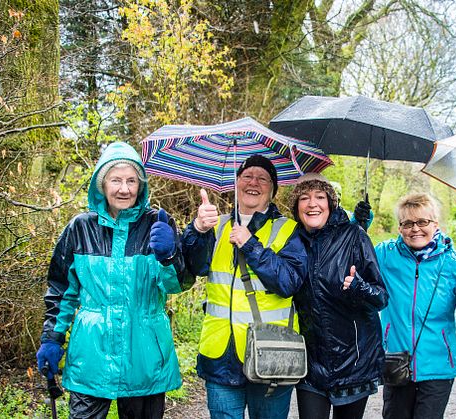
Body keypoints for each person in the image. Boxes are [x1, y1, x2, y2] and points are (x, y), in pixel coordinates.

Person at [36, 141, 193, 418]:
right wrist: (52, 338)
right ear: (102, 184)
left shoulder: (157, 224)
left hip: (145, 355)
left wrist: (169, 257)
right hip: (91, 355)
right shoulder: (80, 228)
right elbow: (62, 291)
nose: (124, 188)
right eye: (116, 180)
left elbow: (177, 285)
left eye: (132, 180)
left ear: (141, 185)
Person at [181, 155, 307, 419]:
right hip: (221, 354)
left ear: (272, 190)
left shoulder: (287, 230)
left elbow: (289, 282)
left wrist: (250, 245)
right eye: (247, 176)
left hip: (271, 354)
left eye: (262, 179)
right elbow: (193, 268)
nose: (254, 183)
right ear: (236, 183)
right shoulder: (216, 226)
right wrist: (197, 230)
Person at [289, 176, 388, 419]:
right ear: (297, 207)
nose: (312, 204)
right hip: (312, 364)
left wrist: (359, 288)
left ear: (331, 203)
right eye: (304, 198)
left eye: (320, 197)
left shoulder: (355, 236)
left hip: (354, 363)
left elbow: (381, 297)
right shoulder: (292, 240)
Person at [375, 193, 456, 419]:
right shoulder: (385, 255)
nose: (415, 229)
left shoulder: (455, 263)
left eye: (422, 222)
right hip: (396, 361)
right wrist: (358, 225)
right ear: (399, 228)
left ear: (435, 224)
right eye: (407, 223)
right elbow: (353, 256)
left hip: (438, 365)